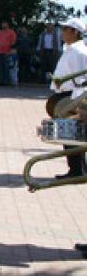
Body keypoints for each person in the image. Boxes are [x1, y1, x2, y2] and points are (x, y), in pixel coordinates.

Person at [46, 18, 87, 179]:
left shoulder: (79, 51)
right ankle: (77, 169)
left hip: (75, 95)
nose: (62, 32)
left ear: (75, 32)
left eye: (66, 29)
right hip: (69, 94)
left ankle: (77, 170)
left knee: (71, 134)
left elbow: (82, 77)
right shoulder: (70, 49)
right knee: (70, 134)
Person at [0, 21, 17, 86]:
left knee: (6, 67)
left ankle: (7, 81)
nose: (3, 25)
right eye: (2, 24)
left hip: (7, 52)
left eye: (5, 24)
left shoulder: (11, 32)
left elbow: (13, 42)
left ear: (7, 24)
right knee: (0, 67)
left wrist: (10, 51)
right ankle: (1, 81)